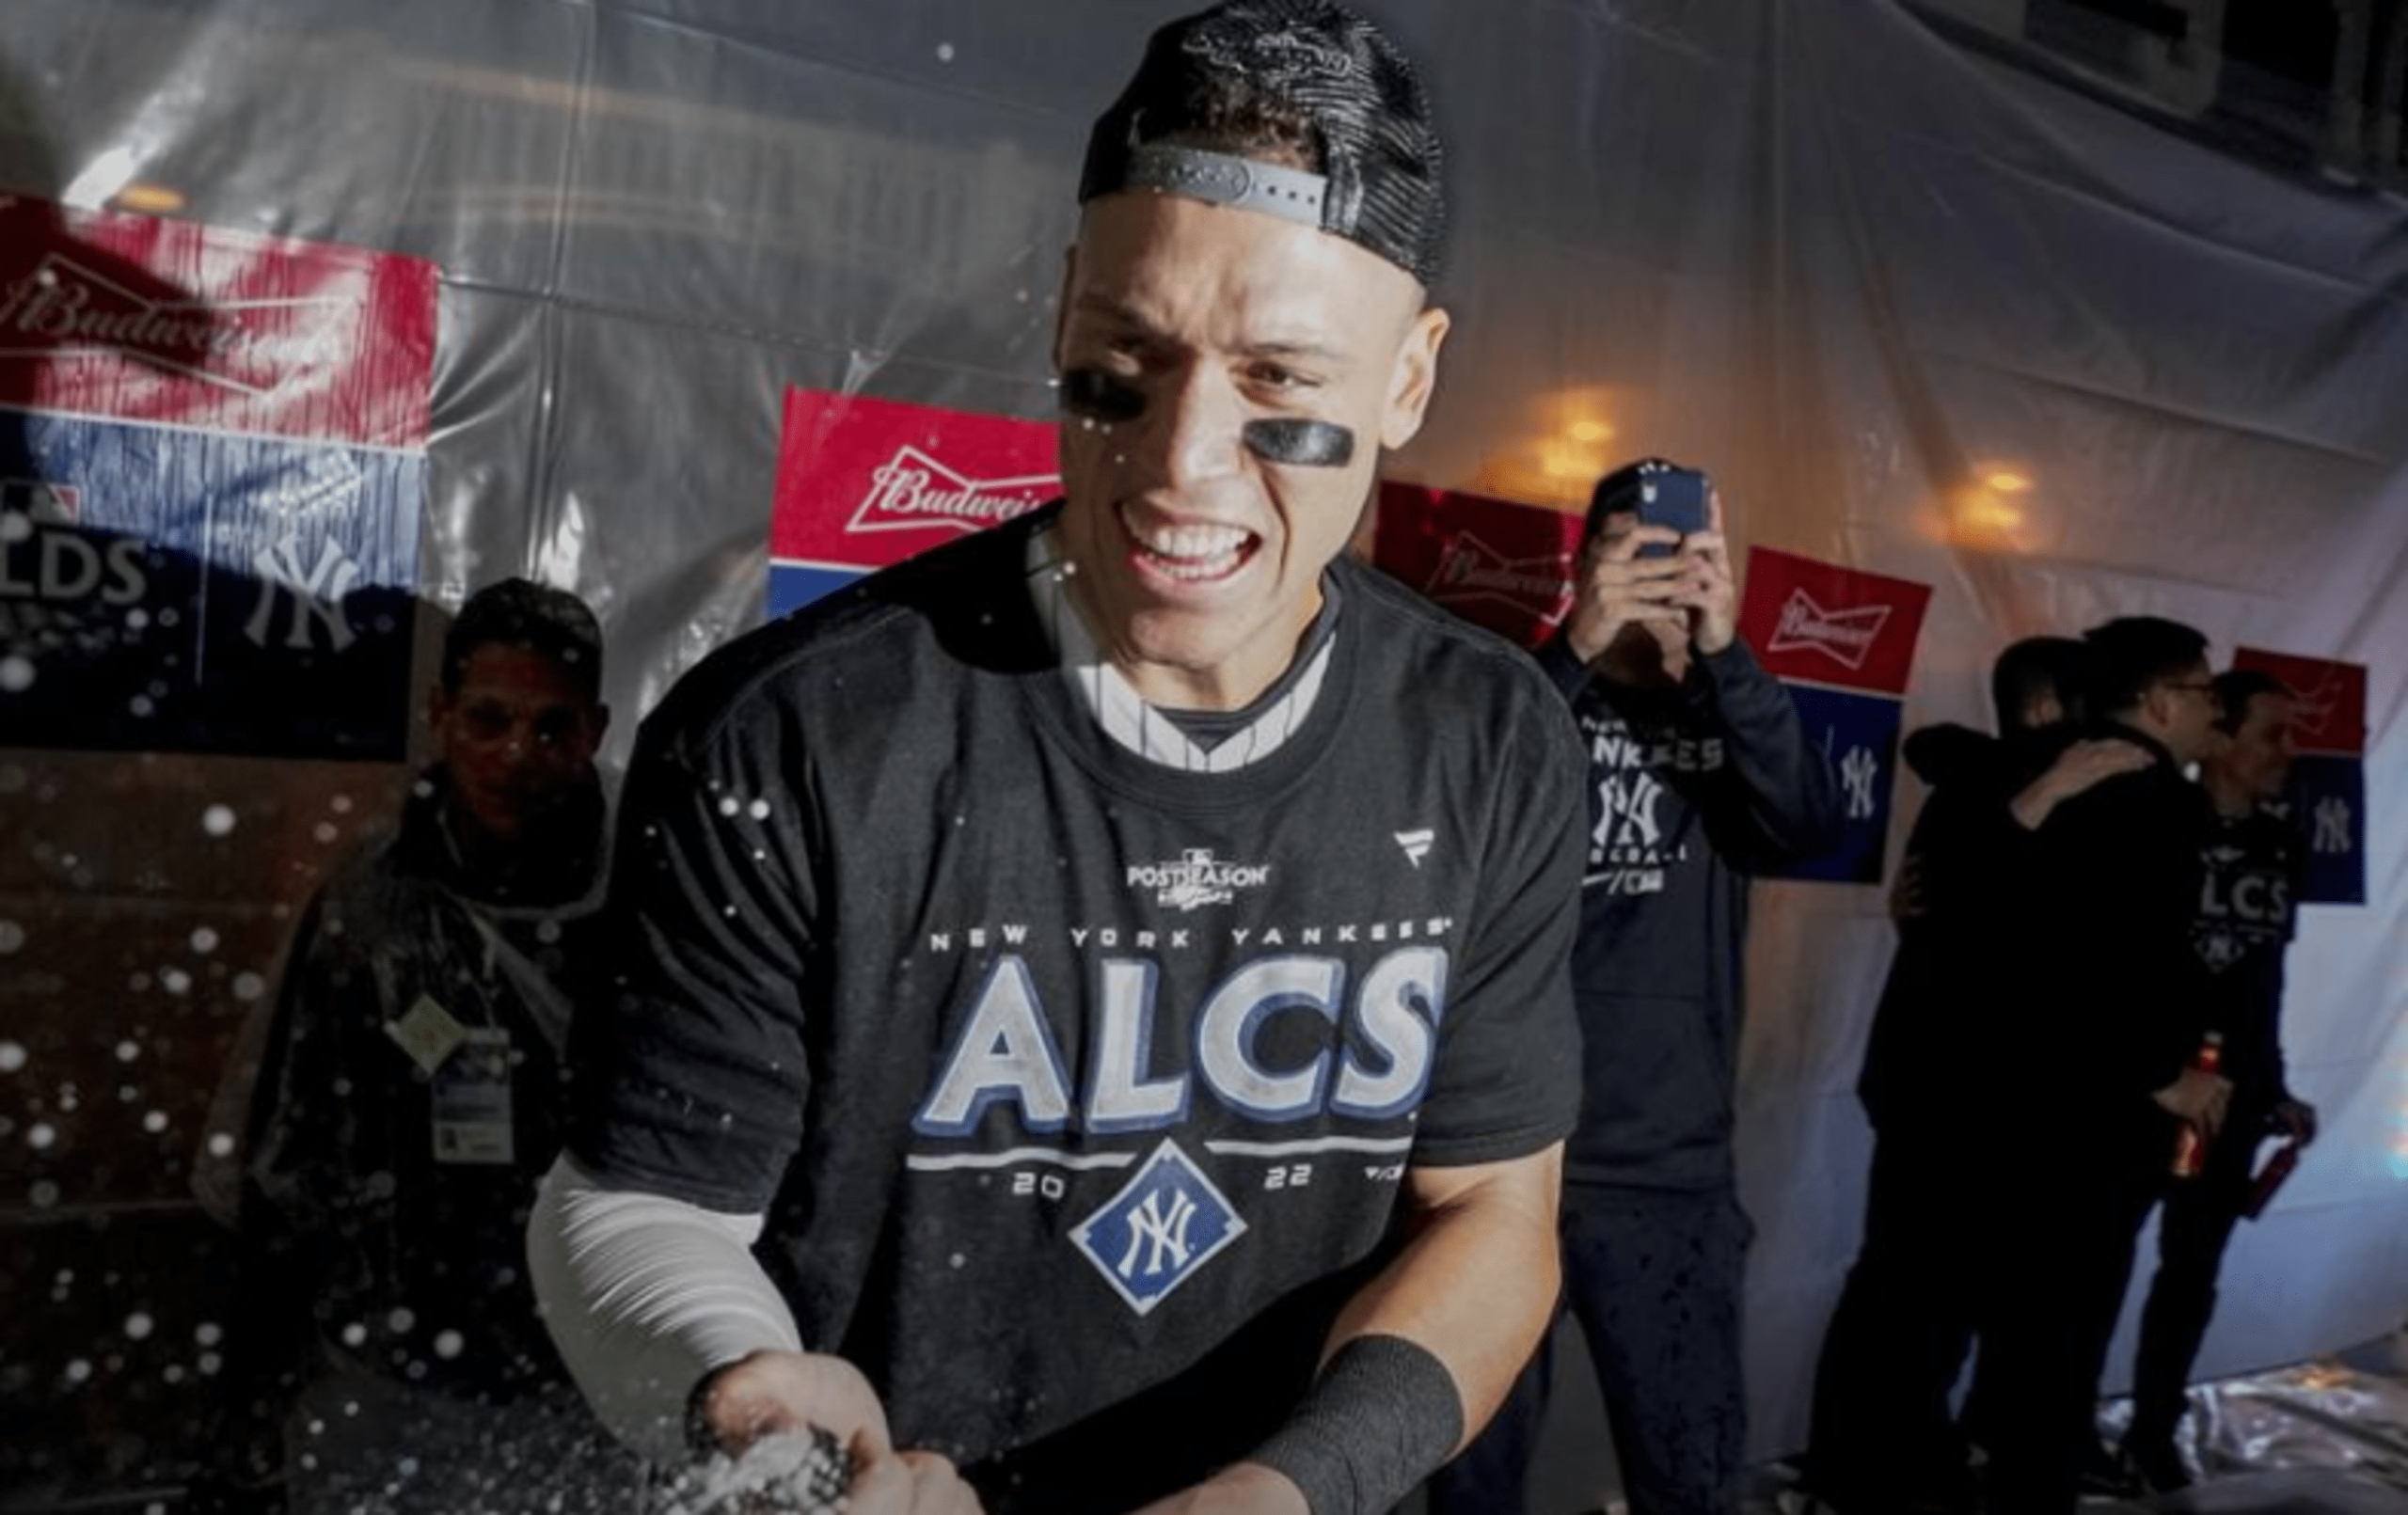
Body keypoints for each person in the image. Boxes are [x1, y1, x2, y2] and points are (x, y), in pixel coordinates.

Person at [526, 7, 1589, 1515]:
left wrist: (1287, 1492)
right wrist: (753, 1407)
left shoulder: (1482, 741)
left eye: (1281, 386)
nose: (1179, 462)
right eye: (1122, 369)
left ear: (1408, 380)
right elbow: (632, 1204)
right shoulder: (798, 734)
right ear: (1064, 309)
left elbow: (1493, 1205)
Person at [1424, 458, 1843, 1515]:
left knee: (1687, 1473)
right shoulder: (1518, 694)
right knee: (1473, 1475)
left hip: (1667, 1168)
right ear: (1586, 561)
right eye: (1637, 552)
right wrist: (1569, 648)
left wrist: (1726, 650)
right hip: (1496, 1161)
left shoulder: (1723, 713)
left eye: (1686, 553)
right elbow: (1445, 827)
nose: (1662, 575)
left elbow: (1804, 828)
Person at [198, 577, 626, 1515]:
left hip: (600, 1360)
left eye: (551, 726)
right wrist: (248, 1401)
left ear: (594, 730)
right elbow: (286, 1151)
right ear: (438, 715)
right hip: (403, 1361)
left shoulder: (652, 884)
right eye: (488, 718)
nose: (517, 753)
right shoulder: (374, 898)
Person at [1804, 637, 2149, 1515]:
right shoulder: (2007, 794)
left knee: (1913, 1301)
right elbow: (1980, 917)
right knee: (1915, 1307)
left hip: (1954, 1102)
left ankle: (1894, 1463)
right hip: (1952, 1107)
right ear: (2047, 710)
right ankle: (1875, 1472)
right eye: (2082, 710)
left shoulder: (1974, 785)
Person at [1975, 615, 2231, 1515]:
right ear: (2160, 700)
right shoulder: (2144, 790)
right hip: (2091, 1118)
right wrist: (2161, 1070)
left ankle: (2017, 1475)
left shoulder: (2093, 774)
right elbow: (2091, 956)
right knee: (2062, 1334)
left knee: (2035, 1330)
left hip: (2042, 1108)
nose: (2216, 711)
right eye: (2205, 692)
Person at [2116, 669, 2317, 1491]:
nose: (2290, 752)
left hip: (2231, 1096)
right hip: (2140, 1087)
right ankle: (2025, 1432)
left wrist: (2274, 1086)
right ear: (2221, 738)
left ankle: (2153, 1430)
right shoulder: (2156, 825)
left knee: (2192, 1271)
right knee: (2080, 1270)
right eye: (2273, 733)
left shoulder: (2283, 843)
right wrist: (2147, 1069)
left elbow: (2263, 981)